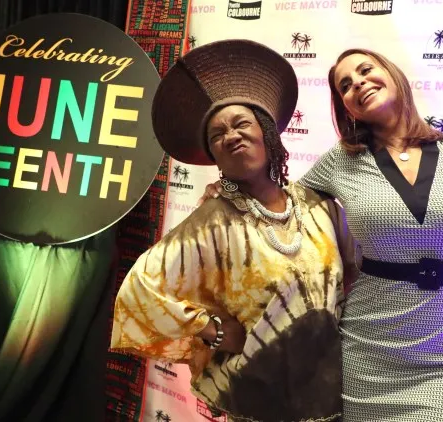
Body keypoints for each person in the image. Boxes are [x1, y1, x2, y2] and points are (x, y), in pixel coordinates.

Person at [200, 48, 443, 422]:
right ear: (345, 106)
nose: (358, 83)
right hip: (368, 348)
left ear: (392, 73)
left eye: (366, 70)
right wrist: (230, 191)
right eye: (345, 85)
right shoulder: (341, 160)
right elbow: (280, 205)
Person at [110, 40, 359, 422]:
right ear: (214, 156)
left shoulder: (318, 205)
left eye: (241, 123)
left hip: (335, 396)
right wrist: (211, 329)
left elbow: (358, 281)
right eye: (217, 135)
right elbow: (137, 291)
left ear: (268, 133)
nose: (231, 136)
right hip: (260, 403)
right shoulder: (211, 222)